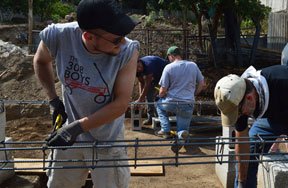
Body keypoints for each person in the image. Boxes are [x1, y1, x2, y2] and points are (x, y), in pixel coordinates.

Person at [33, 0, 139, 187]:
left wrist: (76, 128)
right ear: (89, 36)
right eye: (116, 39)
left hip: (108, 141)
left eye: (124, 36)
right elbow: (41, 60)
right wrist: (53, 100)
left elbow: (121, 104)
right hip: (68, 140)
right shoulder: (58, 36)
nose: (122, 43)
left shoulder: (128, 51)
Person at [214, 65, 288, 188]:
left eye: (239, 114)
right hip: (272, 119)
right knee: (251, 149)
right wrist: (242, 181)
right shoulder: (238, 96)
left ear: (250, 98)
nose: (239, 117)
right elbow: (242, 142)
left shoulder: (283, 81)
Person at [155, 46, 205, 153]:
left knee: (159, 105)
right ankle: (181, 135)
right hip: (187, 103)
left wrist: (161, 96)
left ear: (171, 56)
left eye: (168, 57)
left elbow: (162, 90)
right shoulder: (193, 65)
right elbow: (202, 83)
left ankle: (165, 129)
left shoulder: (168, 68)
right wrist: (194, 94)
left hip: (171, 103)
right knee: (183, 129)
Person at [136, 55, 169, 125]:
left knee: (160, 96)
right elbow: (141, 82)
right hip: (155, 76)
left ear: (139, 62)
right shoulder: (135, 69)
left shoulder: (148, 65)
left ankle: (161, 120)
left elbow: (147, 84)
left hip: (165, 74)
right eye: (136, 69)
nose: (138, 69)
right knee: (148, 96)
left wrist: (141, 99)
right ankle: (151, 118)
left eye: (139, 67)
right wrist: (140, 98)